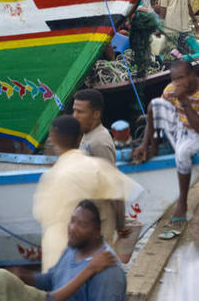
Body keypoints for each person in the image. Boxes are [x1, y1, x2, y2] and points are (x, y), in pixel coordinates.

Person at [34, 116, 138, 271]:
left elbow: (41, 215)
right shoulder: (97, 167)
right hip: (92, 255)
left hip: (57, 258)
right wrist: (120, 225)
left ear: (53, 139)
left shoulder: (49, 177)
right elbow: (118, 197)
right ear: (80, 138)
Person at [21, 201, 127, 301]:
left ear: (98, 231)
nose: (72, 228)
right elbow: (52, 280)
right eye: (72, 221)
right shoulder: (72, 250)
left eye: (81, 225)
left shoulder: (107, 272)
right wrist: (20, 275)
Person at [132, 61, 199, 232]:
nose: (177, 83)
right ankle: (153, 149)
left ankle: (182, 203)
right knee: (154, 104)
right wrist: (144, 144)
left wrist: (184, 100)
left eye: (181, 78)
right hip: (182, 127)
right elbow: (155, 113)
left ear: (193, 75)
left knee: (183, 152)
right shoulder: (172, 89)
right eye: (174, 79)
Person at [73, 89, 116, 166]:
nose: (75, 116)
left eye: (80, 112)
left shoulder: (99, 143)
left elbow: (107, 176)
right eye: (74, 111)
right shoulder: (88, 133)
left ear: (96, 114)